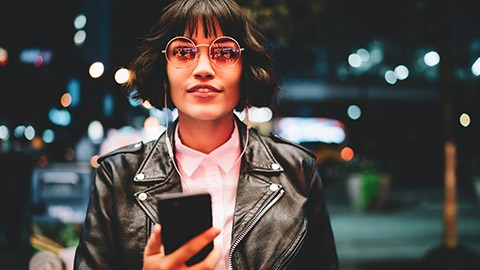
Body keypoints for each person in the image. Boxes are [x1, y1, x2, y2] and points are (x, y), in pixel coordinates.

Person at [74, 0, 339, 269]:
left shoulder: (297, 169)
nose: (203, 69)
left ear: (245, 69)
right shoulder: (117, 175)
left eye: (223, 52)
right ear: (163, 70)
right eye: (184, 52)